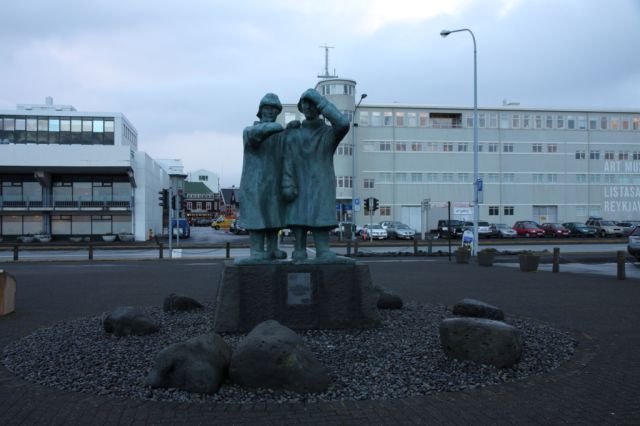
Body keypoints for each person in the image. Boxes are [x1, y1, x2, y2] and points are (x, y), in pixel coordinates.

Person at [282, 88, 351, 261]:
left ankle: (323, 250)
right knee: (298, 214)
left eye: (312, 103)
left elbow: (343, 123)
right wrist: (287, 182)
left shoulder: (328, 133)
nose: (308, 107)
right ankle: (299, 249)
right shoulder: (294, 133)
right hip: (298, 181)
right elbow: (287, 159)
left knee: (321, 214)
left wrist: (321, 101)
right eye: (305, 103)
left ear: (319, 107)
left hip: (321, 181)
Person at [237, 93, 288, 263]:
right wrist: (279, 128)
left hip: (274, 182)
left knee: (274, 215)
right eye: (267, 108)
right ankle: (257, 250)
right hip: (254, 184)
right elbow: (256, 135)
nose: (271, 112)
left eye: (275, 109)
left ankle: (273, 248)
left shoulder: (280, 135)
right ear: (260, 111)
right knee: (257, 216)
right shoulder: (250, 131)